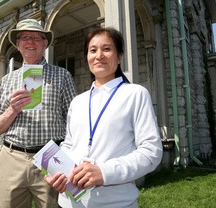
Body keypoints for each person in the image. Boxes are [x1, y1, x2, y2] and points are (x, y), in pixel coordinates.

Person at [44, 27, 163, 207]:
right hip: (69, 202)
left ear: (120, 56)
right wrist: (59, 173)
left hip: (115, 202)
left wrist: (104, 172)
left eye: (106, 49)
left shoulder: (135, 94)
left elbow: (151, 151)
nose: (99, 55)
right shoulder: (77, 101)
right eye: (93, 50)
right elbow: (68, 144)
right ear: (87, 58)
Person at [0, 18, 77, 208]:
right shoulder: (7, 80)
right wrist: (13, 109)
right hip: (13, 157)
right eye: (25, 37)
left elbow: (75, 122)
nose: (31, 42)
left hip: (51, 156)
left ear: (45, 44)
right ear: (18, 44)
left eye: (37, 37)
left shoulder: (62, 75)